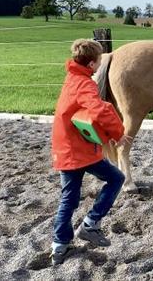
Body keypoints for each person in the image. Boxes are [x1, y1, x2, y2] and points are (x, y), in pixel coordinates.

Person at [50, 39, 132, 265]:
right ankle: (90, 224)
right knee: (116, 178)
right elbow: (100, 110)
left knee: (69, 197)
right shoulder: (85, 84)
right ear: (93, 63)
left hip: (65, 148)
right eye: (99, 61)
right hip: (79, 149)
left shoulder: (72, 78)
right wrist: (118, 133)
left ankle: (59, 245)